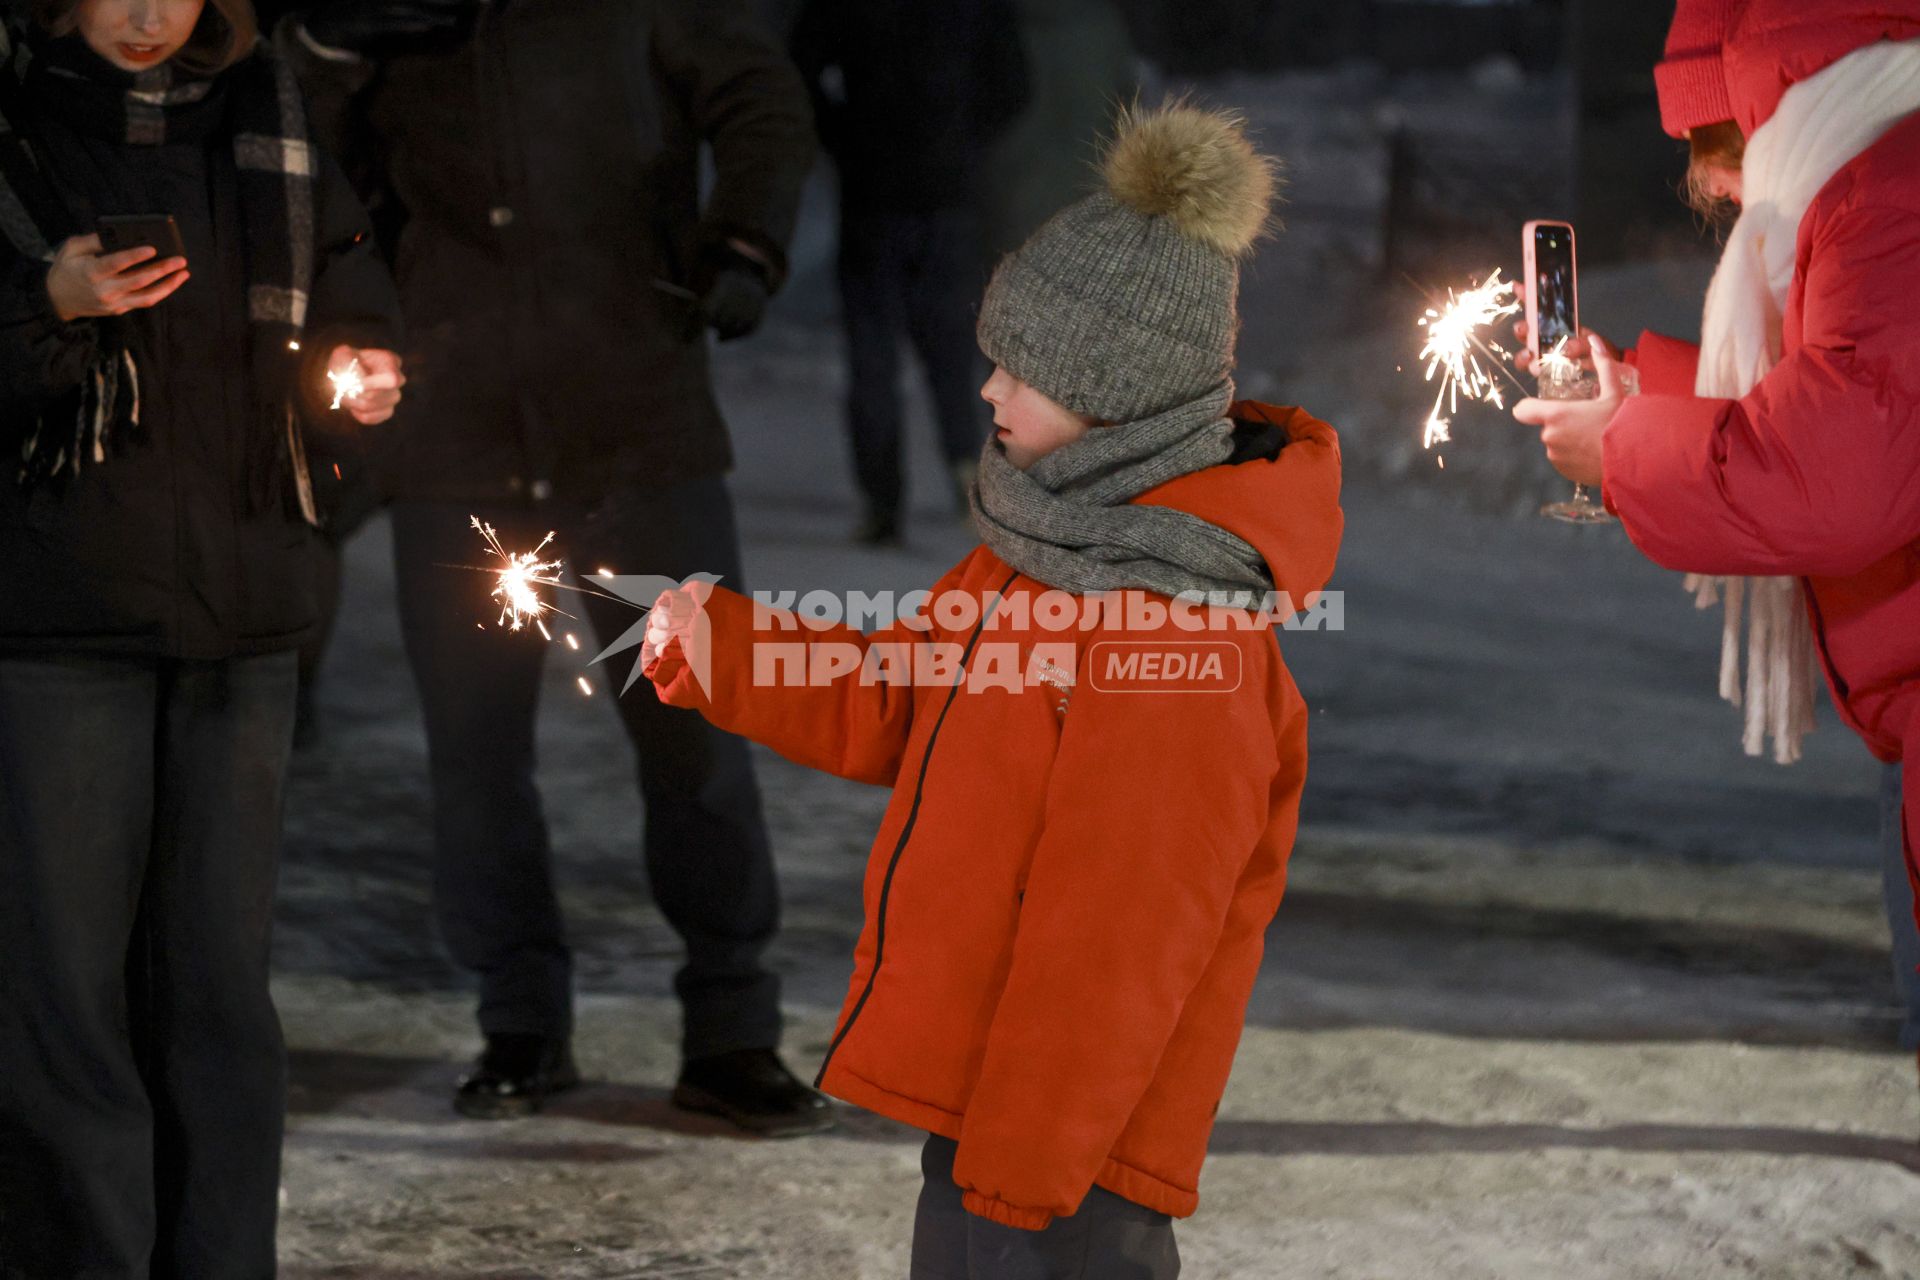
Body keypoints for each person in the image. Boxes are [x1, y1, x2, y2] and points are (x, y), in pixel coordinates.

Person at [640, 103, 1343, 1278]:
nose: (987, 389)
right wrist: (718, 646)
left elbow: (1121, 939)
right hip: (983, 1114)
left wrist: (1028, 1162)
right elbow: (901, 696)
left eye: (1026, 370)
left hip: (1068, 1164)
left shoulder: (1173, 631)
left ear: (1120, 398)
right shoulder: (1038, 546)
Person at [281, 0, 831, 1132]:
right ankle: (519, 1018)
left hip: (638, 432)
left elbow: (765, 99)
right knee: (478, 763)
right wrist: (332, 50)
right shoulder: (380, 26)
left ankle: (732, 1027)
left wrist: (743, 240)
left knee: (696, 740)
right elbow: (312, 183)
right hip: (457, 445)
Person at [0, 0, 403, 1269]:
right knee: (67, 992)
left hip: (245, 613)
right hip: (58, 615)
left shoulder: (272, 119)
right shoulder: (15, 124)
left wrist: (361, 372)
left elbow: (351, 291)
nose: (142, 13)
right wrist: (44, 303)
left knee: (219, 991)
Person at [1514, 0, 1920, 1073]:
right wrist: (1640, 390)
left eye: (1718, 155)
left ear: (1763, 105)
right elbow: (1846, 400)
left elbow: (1839, 476)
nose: (1726, 194)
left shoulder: (1889, 193)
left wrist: (1629, 447)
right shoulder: (1884, 170)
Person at [789, 0, 1028, 546]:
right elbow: (1013, 87)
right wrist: (962, 143)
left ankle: (882, 501)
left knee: (874, 356)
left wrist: (845, 138)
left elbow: (799, 65)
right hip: (947, 194)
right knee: (950, 349)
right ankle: (965, 471)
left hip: (873, 194)